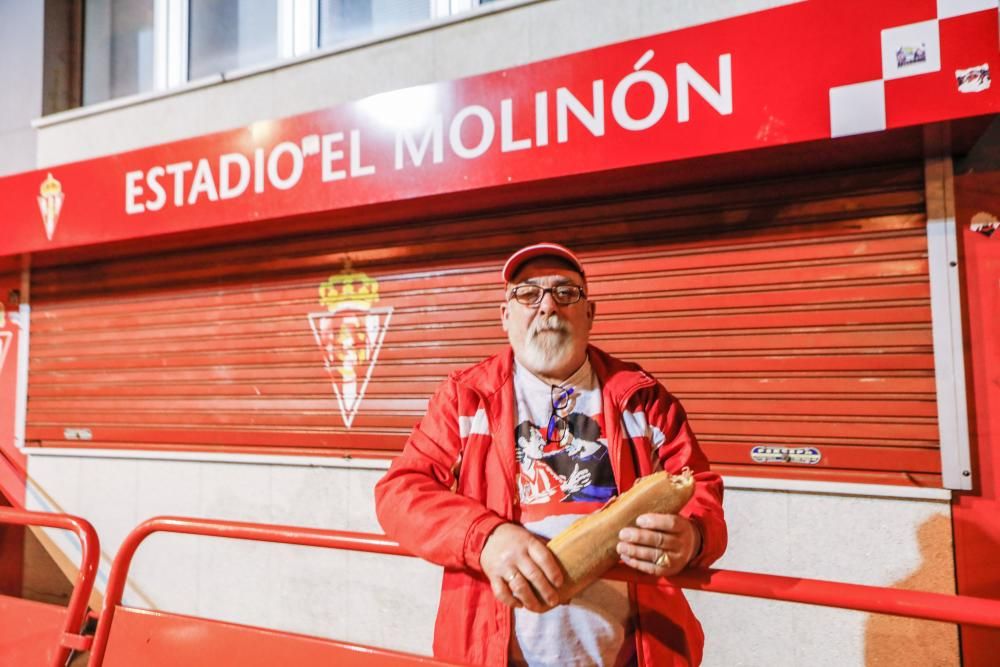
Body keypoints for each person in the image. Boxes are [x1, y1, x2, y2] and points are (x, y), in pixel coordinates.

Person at [375, 242, 726, 666]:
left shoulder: (643, 399)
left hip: (633, 653)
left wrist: (693, 538)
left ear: (590, 314)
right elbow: (400, 492)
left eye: (566, 293)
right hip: (494, 653)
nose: (547, 307)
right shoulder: (466, 399)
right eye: (527, 294)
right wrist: (485, 538)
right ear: (506, 316)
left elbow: (700, 487)